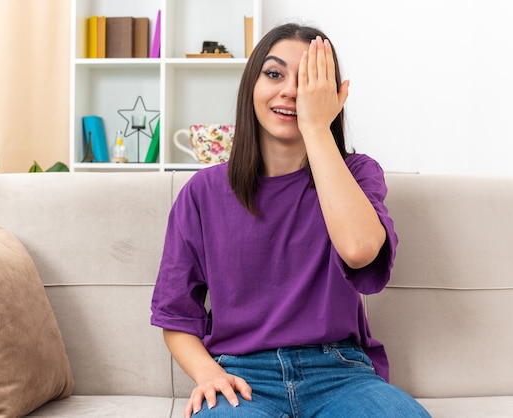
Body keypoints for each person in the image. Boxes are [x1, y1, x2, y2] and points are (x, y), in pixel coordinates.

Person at [151, 23, 431, 418]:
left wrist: (315, 126)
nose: (290, 91)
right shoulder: (202, 193)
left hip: (340, 373)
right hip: (241, 376)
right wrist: (207, 374)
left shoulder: (359, 173)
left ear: (333, 97)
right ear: (252, 84)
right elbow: (177, 314)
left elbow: (359, 250)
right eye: (275, 73)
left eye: (309, 81)